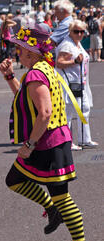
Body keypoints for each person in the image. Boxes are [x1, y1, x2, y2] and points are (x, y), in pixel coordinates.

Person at [0, 25, 92, 241]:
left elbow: (45, 113)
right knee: (17, 180)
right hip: (53, 140)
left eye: (21, 49)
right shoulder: (43, 69)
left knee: (60, 197)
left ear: (32, 53)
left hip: (48, 142)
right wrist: (9, 78)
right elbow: (27, 97)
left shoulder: (36, 73)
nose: (17, 53)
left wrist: (29, 144)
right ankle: (54, 211)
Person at [56, 20, 98, 149]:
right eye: (76, 31)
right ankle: (67, 141)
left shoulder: (77, 44)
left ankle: (85, 138)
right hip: (69, 84)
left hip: (80, 82)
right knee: (68, 112)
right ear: (70, 31)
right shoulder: (67, 45)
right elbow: (59, 63)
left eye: (82, 31)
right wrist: (74, 61)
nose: (79, 34)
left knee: (84, 110)